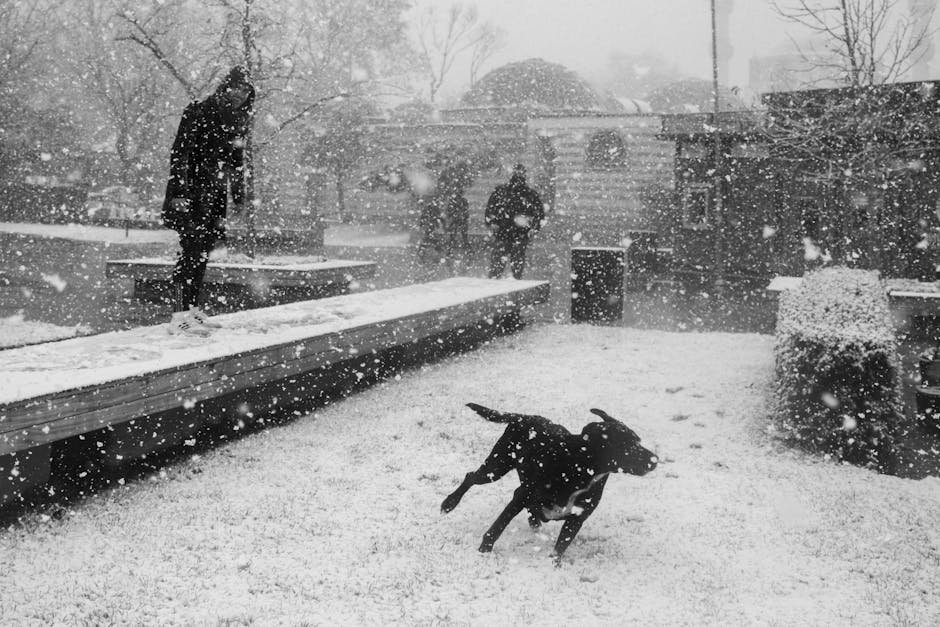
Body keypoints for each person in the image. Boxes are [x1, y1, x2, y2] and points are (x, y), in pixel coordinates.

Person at [161, 66, 255, 336]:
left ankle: (191, 311)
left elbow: (236, 161)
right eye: (237, 87)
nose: (241, 94)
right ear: (226, 87)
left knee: (202, 254)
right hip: (190, 194)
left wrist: (238, 196)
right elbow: (180, 153)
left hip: (214, 197)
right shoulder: (198, 111)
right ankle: (178, 315)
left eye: (247, 90)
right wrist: (179, 191)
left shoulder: (236, 120)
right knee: (189, 254)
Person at [484, 163, 544, 279]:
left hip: (504, 232)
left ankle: (496, 282)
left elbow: (490, 210)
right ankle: (513, 283)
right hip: (519, 233)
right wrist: (533, 228)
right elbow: (539, 214)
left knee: (499, 264)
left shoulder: (501, 192)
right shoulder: (529, 194)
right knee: (516, 264)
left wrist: (492, 222)